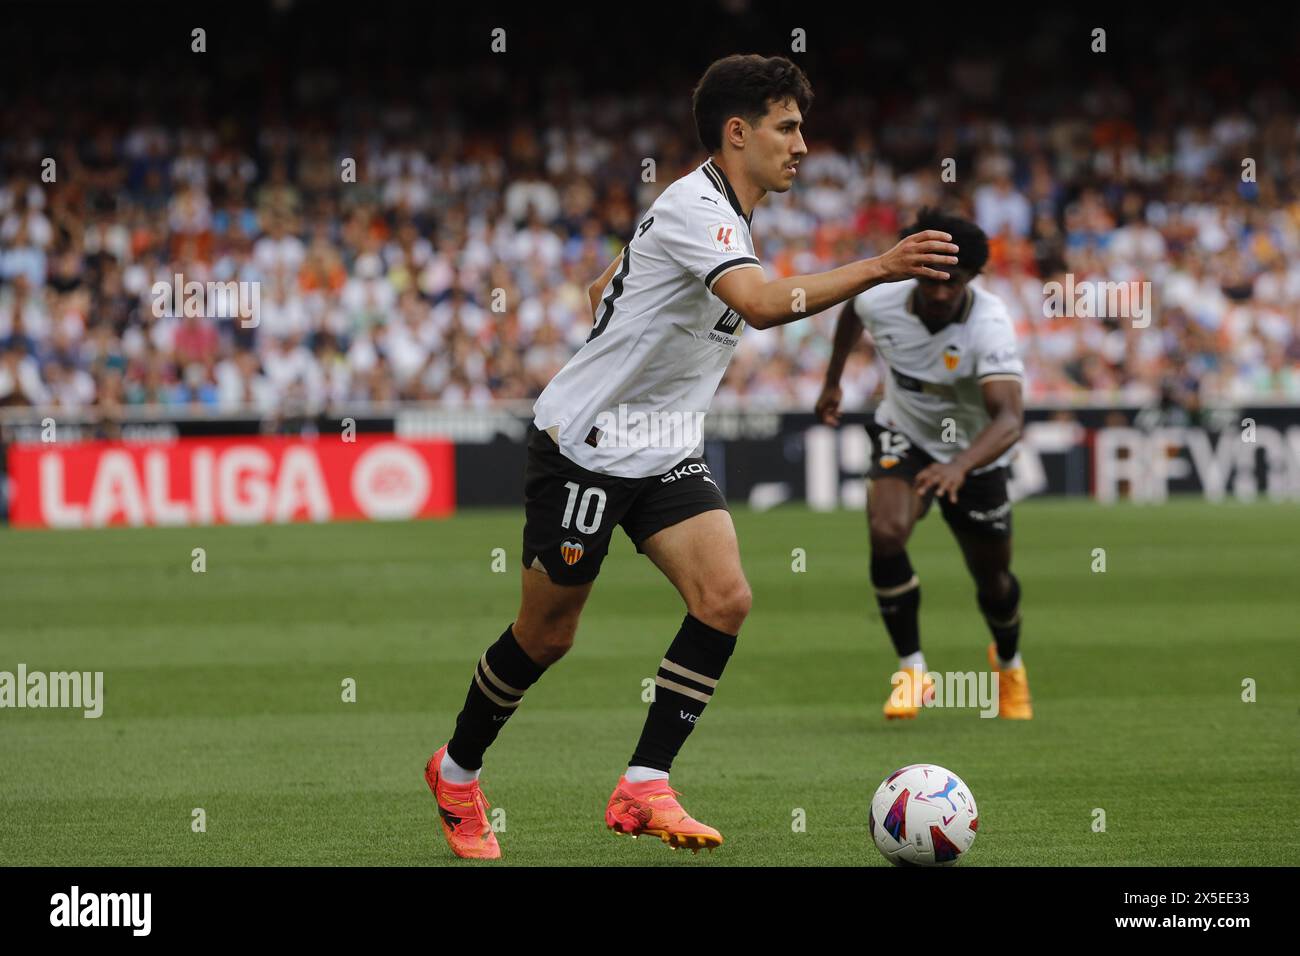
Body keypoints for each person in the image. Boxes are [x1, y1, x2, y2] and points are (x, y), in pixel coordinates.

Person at [426, 55, 960, 859]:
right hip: (586, 449)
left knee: (725, 598)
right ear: (737, 132)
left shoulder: (711, 213)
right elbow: (760, 303)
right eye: (788, 126)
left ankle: (645, 784)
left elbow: (608, 280)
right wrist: (882, 264)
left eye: (802, 127)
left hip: (666, 448)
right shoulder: (694, 206)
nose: (803, 145)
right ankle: (457, 772)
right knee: (547, 634)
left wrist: (621, 290)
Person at [815, 209, 1033, 721]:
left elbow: (1009, 420)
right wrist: (833, 381)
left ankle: (1009, 665)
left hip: (976, 454)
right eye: (930, 279)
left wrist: (959, 466)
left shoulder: (990, 325)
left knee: (994, 580)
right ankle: (913, 672)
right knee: (886, 532)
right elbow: (852, 316)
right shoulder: (880, 296)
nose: (938, 293)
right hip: (905, 434)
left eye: (951, 284)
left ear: (973, 280)